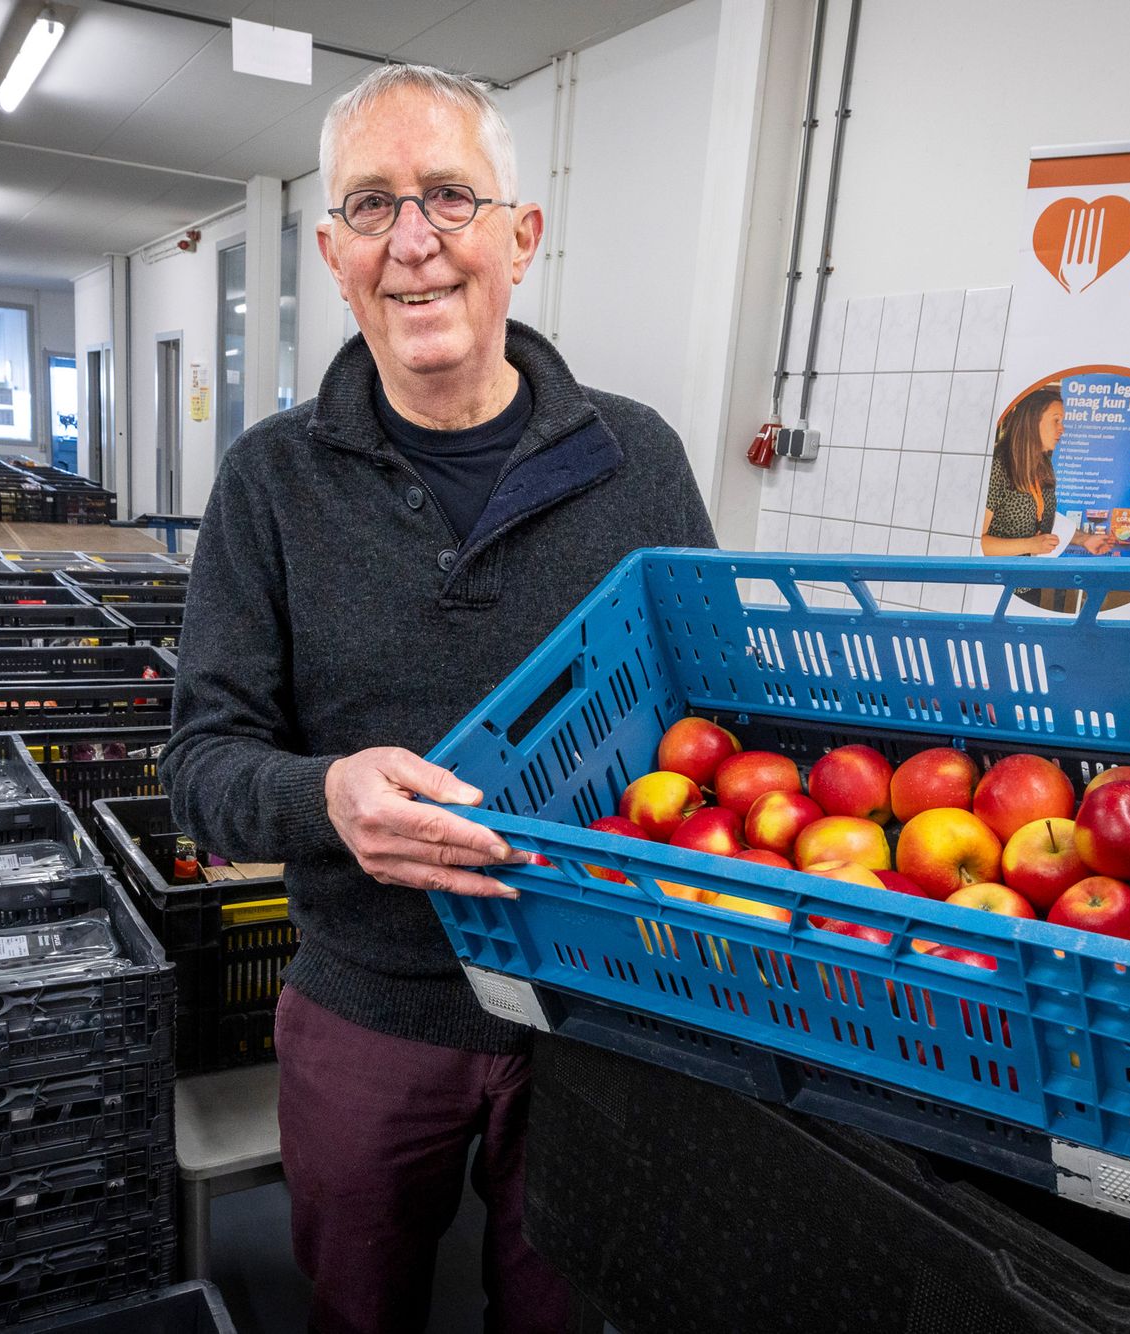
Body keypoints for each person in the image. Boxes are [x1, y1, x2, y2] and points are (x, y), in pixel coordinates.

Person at [161, 63, 715, 1334]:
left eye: (449, 197)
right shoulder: (269, 483)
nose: (412, 242)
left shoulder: (640, 464)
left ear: (520, 236)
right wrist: (325, 794)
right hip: (368, 1007)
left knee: (566, 1308)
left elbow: (707, 728)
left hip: (601, 1006)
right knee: (357, 1308)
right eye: (371, 206)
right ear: (331, 253)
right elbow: (200, 763)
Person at [978, 387, 1114, 556]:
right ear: (1032, 421)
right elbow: (975, 542)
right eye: (1056, 420)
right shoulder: (998, 467)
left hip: (1026, 579)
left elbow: (1040, 519)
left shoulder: (1042, 465)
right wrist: (1029, 546)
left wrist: (1083, 539)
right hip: (996, 580)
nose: (1062, 429)